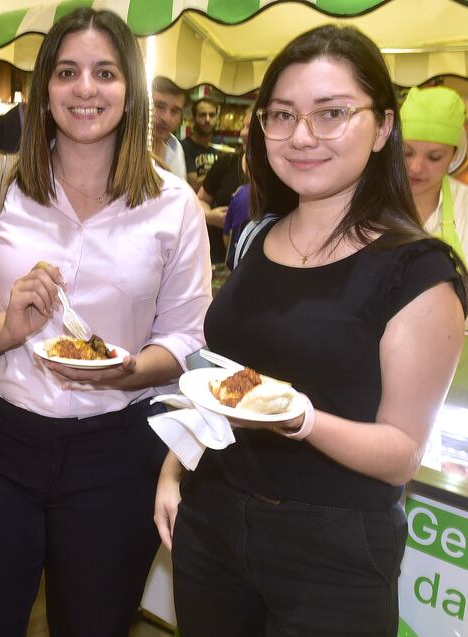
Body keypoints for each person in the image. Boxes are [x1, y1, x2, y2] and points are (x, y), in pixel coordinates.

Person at [156, 25, 467, 637]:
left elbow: (401, 453)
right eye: (282, 114)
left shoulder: (418, 272)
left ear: (381, 128)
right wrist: (173, 467)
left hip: (334, 550)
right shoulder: (256, 238)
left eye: (332, 114)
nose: (302, 136)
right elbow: (221, 379)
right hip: (212, 521)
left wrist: (299, 418)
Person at [0, 8, 211, 636]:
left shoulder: (173, 206)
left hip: (117, 450)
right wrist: (10, 326)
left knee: (95, 623)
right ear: (45, 88)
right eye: (67, 72)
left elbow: (186, 337)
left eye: (105, 72)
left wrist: (129, 371)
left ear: (130, 89)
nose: (85, 89)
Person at [401, 86, 468, 265]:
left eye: (434, 157)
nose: (416, 168)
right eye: (406, 152)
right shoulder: (371, 201)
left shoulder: (464, 204)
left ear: (454, 156)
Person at [198, 110, 250, 264]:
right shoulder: (226, 163)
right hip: (214, 258)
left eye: (251, 128)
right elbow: (200, 200)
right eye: (243, 126)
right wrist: (209, 216)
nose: (244, 133)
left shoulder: (279, 173)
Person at [151, 76, 188, 179]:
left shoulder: (176, 149)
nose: (166, 118)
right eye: (159, 106)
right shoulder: (120, 147)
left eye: (175, 111)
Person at [181, 97, 220, 190]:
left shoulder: (219, 144)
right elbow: (193, 185)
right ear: (194, 118)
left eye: (212, 115)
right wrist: (220, 170)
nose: (207, 119)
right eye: (202, 115)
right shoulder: (185, 147)